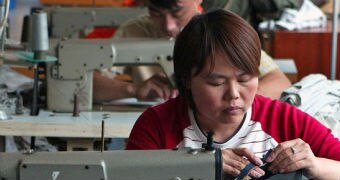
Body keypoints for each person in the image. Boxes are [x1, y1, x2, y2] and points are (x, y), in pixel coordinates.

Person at [126, 9, 340, 179]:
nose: (234, 94)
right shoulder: (155, 126)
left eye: (245, 79)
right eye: (216, 82)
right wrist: (199, 167)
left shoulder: (284, 120)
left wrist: (316, 165)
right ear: (186, 80)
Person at [94, 0, 291, 102]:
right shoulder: (134, 30)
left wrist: (234, 98)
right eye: (156, 13)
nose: (169, 25)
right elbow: (89, 82)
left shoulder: (220, 30)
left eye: (177, 12)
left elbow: (279, 82)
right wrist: (134, 90)